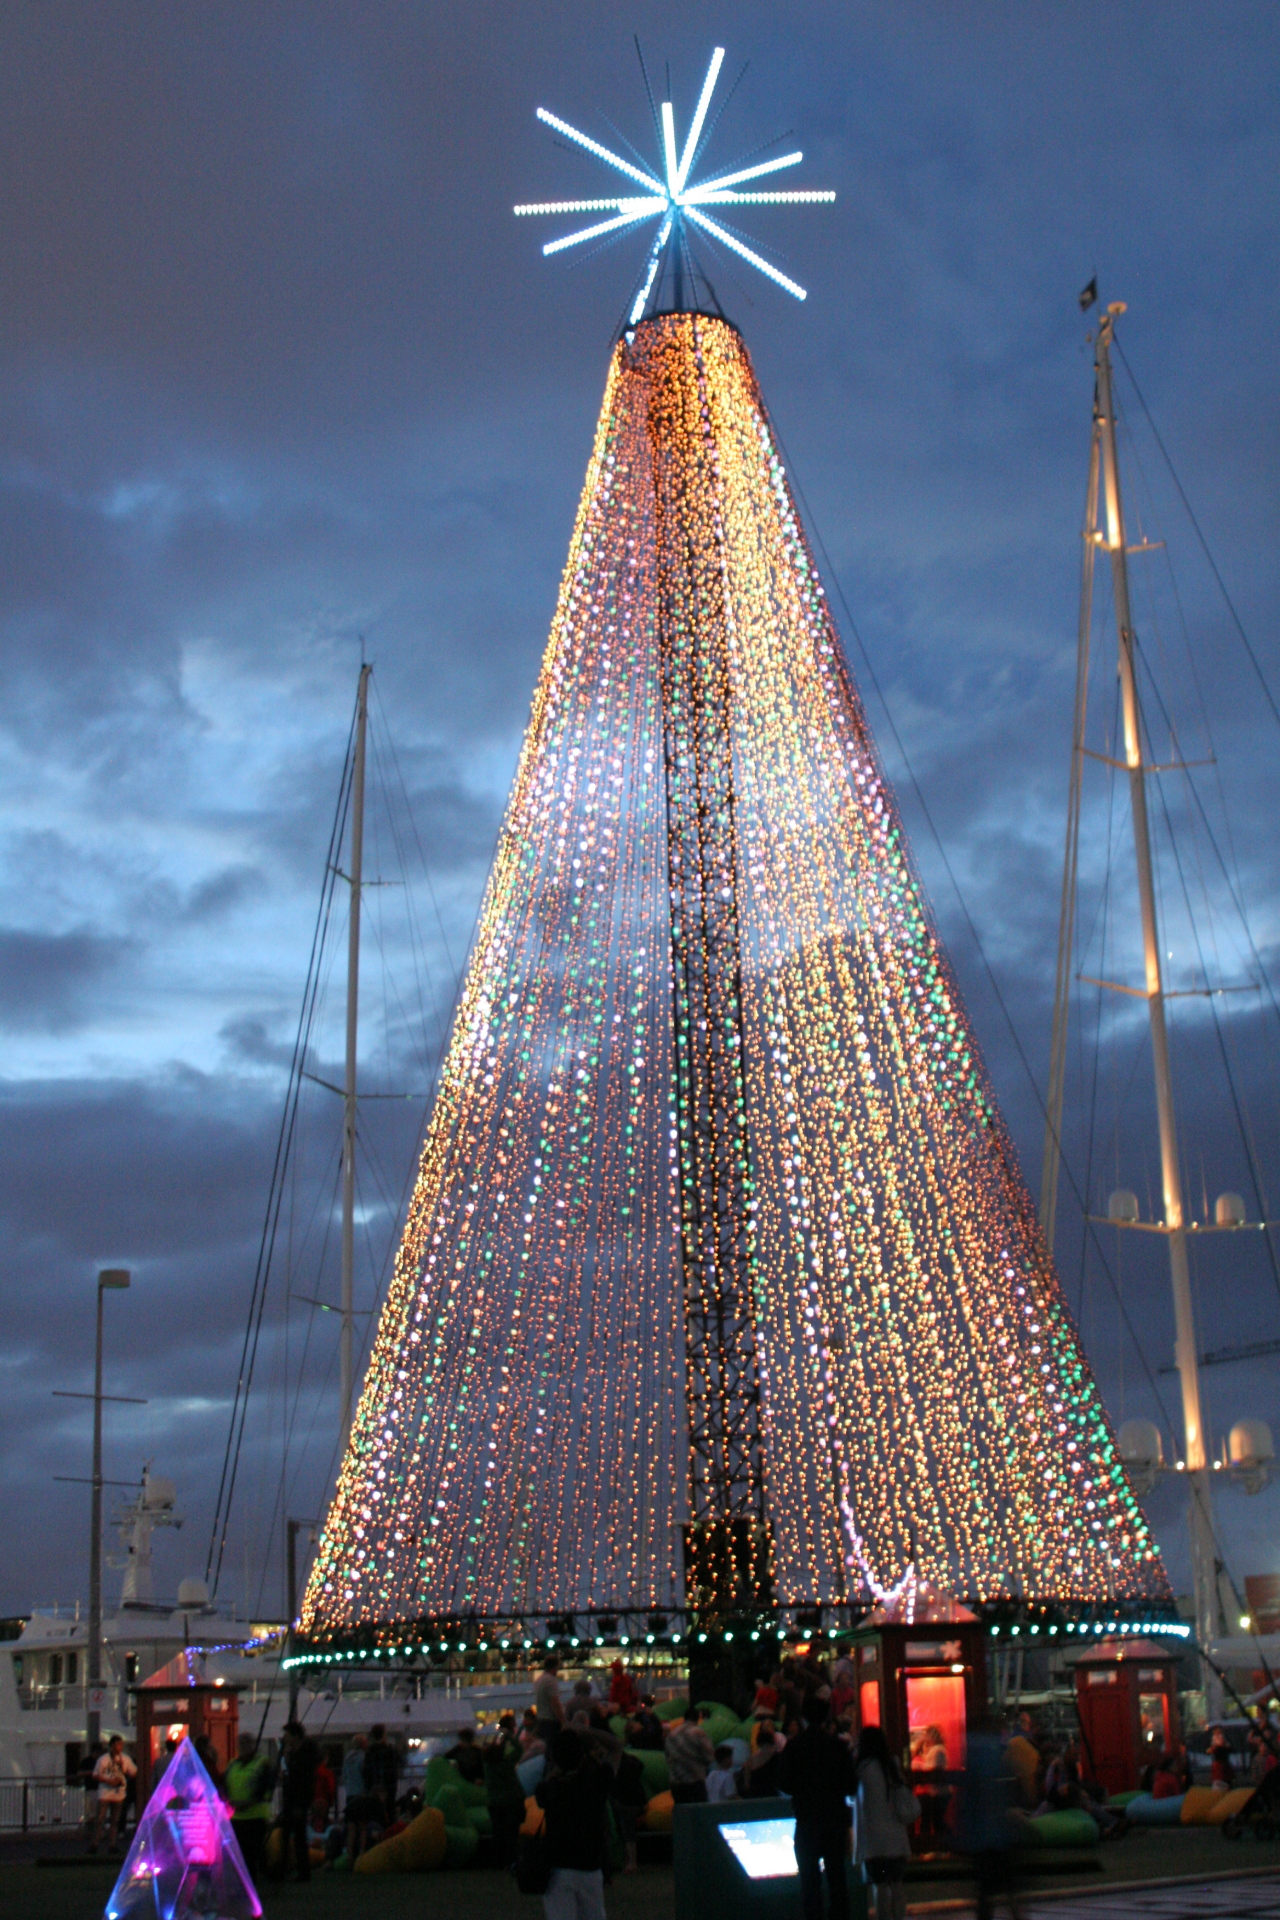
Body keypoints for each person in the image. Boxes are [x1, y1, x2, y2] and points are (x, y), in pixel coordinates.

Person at [778, 1696, 859, 1920]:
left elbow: (784, 1782)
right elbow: (851, 1784)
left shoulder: (795, 1746)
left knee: (809, 1882)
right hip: (834, 1820)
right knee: (836, 1877)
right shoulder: (837, 1746)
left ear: (804, 1716)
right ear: (826, 1717)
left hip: (806, 1819)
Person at [535, 1728, 611, 1920]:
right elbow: (616, 1747)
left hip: (558, 1867)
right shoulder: (596, 1784)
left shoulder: (550, 1789)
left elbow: (542, 1790)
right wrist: (584, 1731)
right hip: (590, 1865)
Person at [956, 1729, 1022, 1920]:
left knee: (985, 1892)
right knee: (1007, 1888)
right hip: (999, 1836)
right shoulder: (996, 1759)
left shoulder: (975, 1758)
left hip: (982, 1838)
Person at [225, 1733, 274, 1883]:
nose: (244, 1746)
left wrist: (249, 1802)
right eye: (241, 1743)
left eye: (247, 1743)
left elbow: (267, 1789)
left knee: (251, 1853)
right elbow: (225, 1785)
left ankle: (253, 1884)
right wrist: (228, 1801)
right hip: (236, 1816)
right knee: (240, 1854)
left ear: (253, 1745)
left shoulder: (263, 1763)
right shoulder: (232, 1764)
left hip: (256, 1816)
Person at [277, 1719, 320, 1883]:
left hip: (297, 1801)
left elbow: (304, 1781)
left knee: (297, 1837)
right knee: (291, 1836)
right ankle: (292, 1870)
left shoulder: (304, 1756)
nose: (285, 1738)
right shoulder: (298, 1754)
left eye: (287, 1735)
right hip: (293, 1800)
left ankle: (300, 1872)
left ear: (295, 1736)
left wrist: (302, 1804)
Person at [484, 1713, 526, 1866]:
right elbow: (519, 1749)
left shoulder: (488, 1766)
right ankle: (511, 1860)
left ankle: (497, 1861)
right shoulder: (506, 1765)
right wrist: (508, 1736)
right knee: (511, 1833)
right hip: (509, 1801)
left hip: (493, 1801)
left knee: (498, 1832)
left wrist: (501, 1735)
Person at [91, 1735, 137, 1856]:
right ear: (111, 1745)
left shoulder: (125, 1759)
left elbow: (133, 1772)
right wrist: (108, 1781)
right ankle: (95, 1844)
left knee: (115, 1821)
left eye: (121, 1744)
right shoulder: (103, 1759)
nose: (120, 1747)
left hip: (119, 1794)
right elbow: (95, 1775)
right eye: (117, 1744)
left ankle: (112, 1844)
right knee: (100, 1819)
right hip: (105, 1793)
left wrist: (125, 1778)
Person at [665, 1705, 715, 1804]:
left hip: (676, 1782)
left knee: (682, 1813)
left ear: (684, 1717)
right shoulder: (699, 1733)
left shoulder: (672, 1734)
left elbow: (667, 1757)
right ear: (697, 1718)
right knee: (698, 1813)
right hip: (694, 1781)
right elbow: (709, 1757)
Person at [610, 1746, 648, 1875]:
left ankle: (631, 1861)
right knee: (628, 1830)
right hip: (634, 1800)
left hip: (625, 1802)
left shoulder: (617, 1765)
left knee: (627, 1831)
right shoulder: (632, 1762)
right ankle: (631, 1861)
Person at [913, 1724, 950, 1846]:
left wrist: (921, 1767)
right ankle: (944, 1847)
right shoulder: (938, 1749)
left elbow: (933, 1769)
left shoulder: (937, 1750)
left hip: (938, 1792)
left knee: (937, 1821)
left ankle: (945, 1845)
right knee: (937, 1821)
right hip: (938, 1791)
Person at [341, 1735, 373, 1863]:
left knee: (351, 1827)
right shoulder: (364, 1757)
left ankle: (349, 1854)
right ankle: (361, 1853)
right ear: (363, 1745)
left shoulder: (347, 1757)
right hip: (361, 1794)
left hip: (350, 1795)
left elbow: (344, 1776)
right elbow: (365, 1775)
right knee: (362, 1826)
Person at [364, 1722, 400, 1825]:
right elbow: (400, 1761)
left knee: (376, 1816)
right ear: (384, 1735)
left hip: (373, 1788)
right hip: (389, 1788)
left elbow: (366, 1771)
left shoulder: (369, 1751)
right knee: (390, 1815)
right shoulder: (389, 1750)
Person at [741, 1723, 782, 1797]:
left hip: (754, 1796)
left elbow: (746, 1786)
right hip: (771, 1795)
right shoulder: (776, 1757)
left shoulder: (750, 1761)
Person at [535, 1653, 566, 1739]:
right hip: (551, 1723)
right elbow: (554, 1702)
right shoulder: (551, 1680)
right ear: (555, 1666)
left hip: (541, 1721)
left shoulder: (539, 1680)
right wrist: (563, 1721)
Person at [1208, 1725, 1235, 1791]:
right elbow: (1208, 1751)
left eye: (1219, 1733)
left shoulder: (1226, 1743)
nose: (1217, 1735)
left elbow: (1230, 1749)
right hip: (1217, 1765)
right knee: (1218, 1783)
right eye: (1215, 1733)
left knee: (1226, 1782)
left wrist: (1224, 1745)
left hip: (1224, 1765)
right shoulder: (1213, 1744)